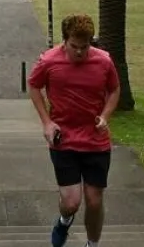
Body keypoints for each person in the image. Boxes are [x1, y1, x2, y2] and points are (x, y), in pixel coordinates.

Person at [28, 14, 120, 247]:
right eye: (74, 46)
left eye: (85, 46)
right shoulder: (49, 61)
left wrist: (105, 116)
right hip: (64, 140)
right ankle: (64, 220)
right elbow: (34, 86)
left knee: (94, 200)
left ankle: (92, 244)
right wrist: (47, 122)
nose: (79, 52)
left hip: (96, 141)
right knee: (71, 202)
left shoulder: (104, 62)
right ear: (64, 41)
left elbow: (114, 90)